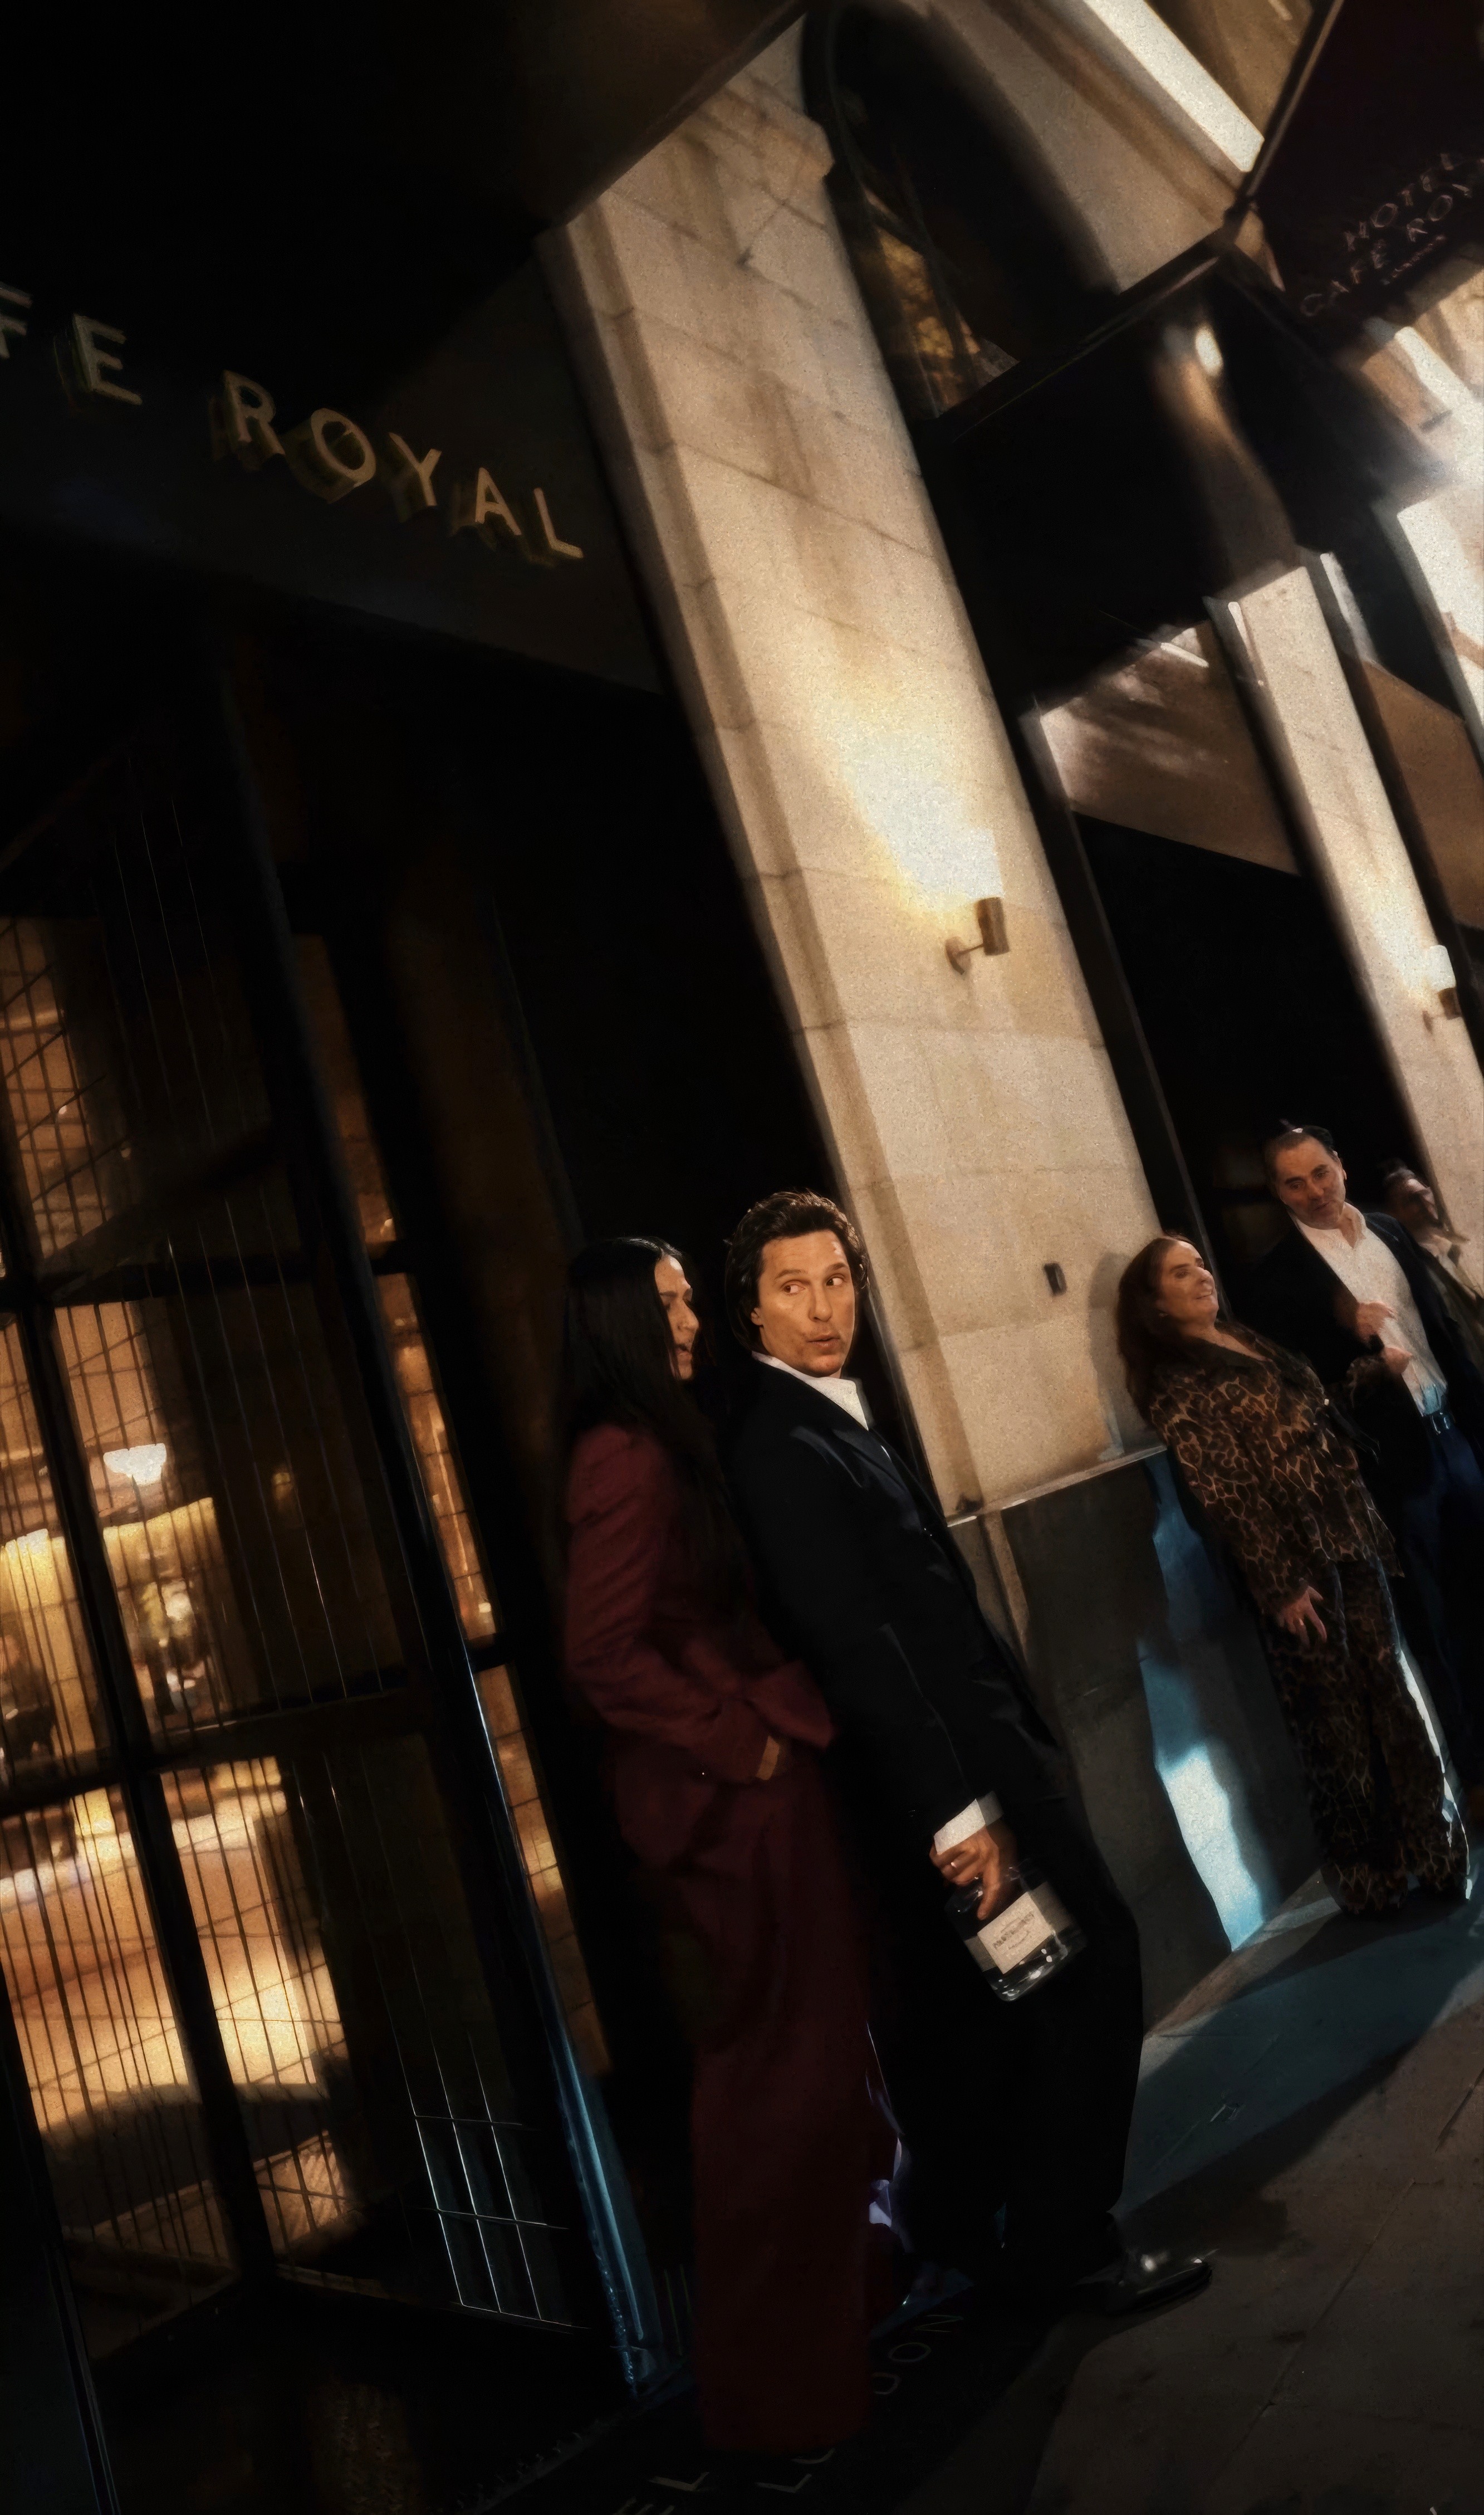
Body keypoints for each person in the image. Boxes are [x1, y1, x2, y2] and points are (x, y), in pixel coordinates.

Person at [723, 1189, 1209, 2319]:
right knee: (1085, 1976)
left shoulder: (827, 1411)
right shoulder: (778, 1444)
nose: (821, 1306)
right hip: (958, 1793)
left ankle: (977, 2225)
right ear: (750, 1310)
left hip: (978, 1764)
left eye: (836, 1277)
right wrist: (960, 1816)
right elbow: (861, 1649)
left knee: (1007, 2006)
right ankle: (1064, 2242)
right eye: (791, 1287)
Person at [559, 1235, 875, 2459]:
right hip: (731, 1807)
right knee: (777, 2088)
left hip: (747, 1787)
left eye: (690, 1299)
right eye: (674, 1304)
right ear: (622, 1324)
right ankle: (779, 2392)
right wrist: (734, 1741)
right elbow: (602, 1654)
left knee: (797, 2076)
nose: (692, 1322)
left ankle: (809, 2364)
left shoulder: (650, 1438)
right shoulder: (628, 1456)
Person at [1118, 1235, 1466, 1913]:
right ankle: (1370, 1879)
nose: (1200, 1277)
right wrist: (1277, 1583)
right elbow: (1222, 1487)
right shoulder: (1177, 1380)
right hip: (1297, 1567)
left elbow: (1309, 1411)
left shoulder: (1245, 1339)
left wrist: (1366, 1378)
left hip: (1348, 1534)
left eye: (1199, 1264)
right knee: (1335, 1728)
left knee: (1391, 1699)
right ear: (1153, 1303)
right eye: (1179, 1273)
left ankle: (1436, 1852)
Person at [1242, 1122, 1484, 1810]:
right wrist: (1352, 1348)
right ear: (1275, 1191)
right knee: (1432, 1621)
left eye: (1320, 1173)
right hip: (1390, 1469)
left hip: (1454, 1437)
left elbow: (1441, 1330)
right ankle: (1473, 1772)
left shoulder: (1389, 1231)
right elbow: (1298, 1392)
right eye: (1294, 1182)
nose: (1313, 1192)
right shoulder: (1274, 1280)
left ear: (1340, 1166)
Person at [1381, 1161, 1484, 1378]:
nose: (1424, 1203)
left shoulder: (1460, 1249)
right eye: (1411, 1201)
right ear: (1394, 1214)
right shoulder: (1409, 1270)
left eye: (1424, 1194)